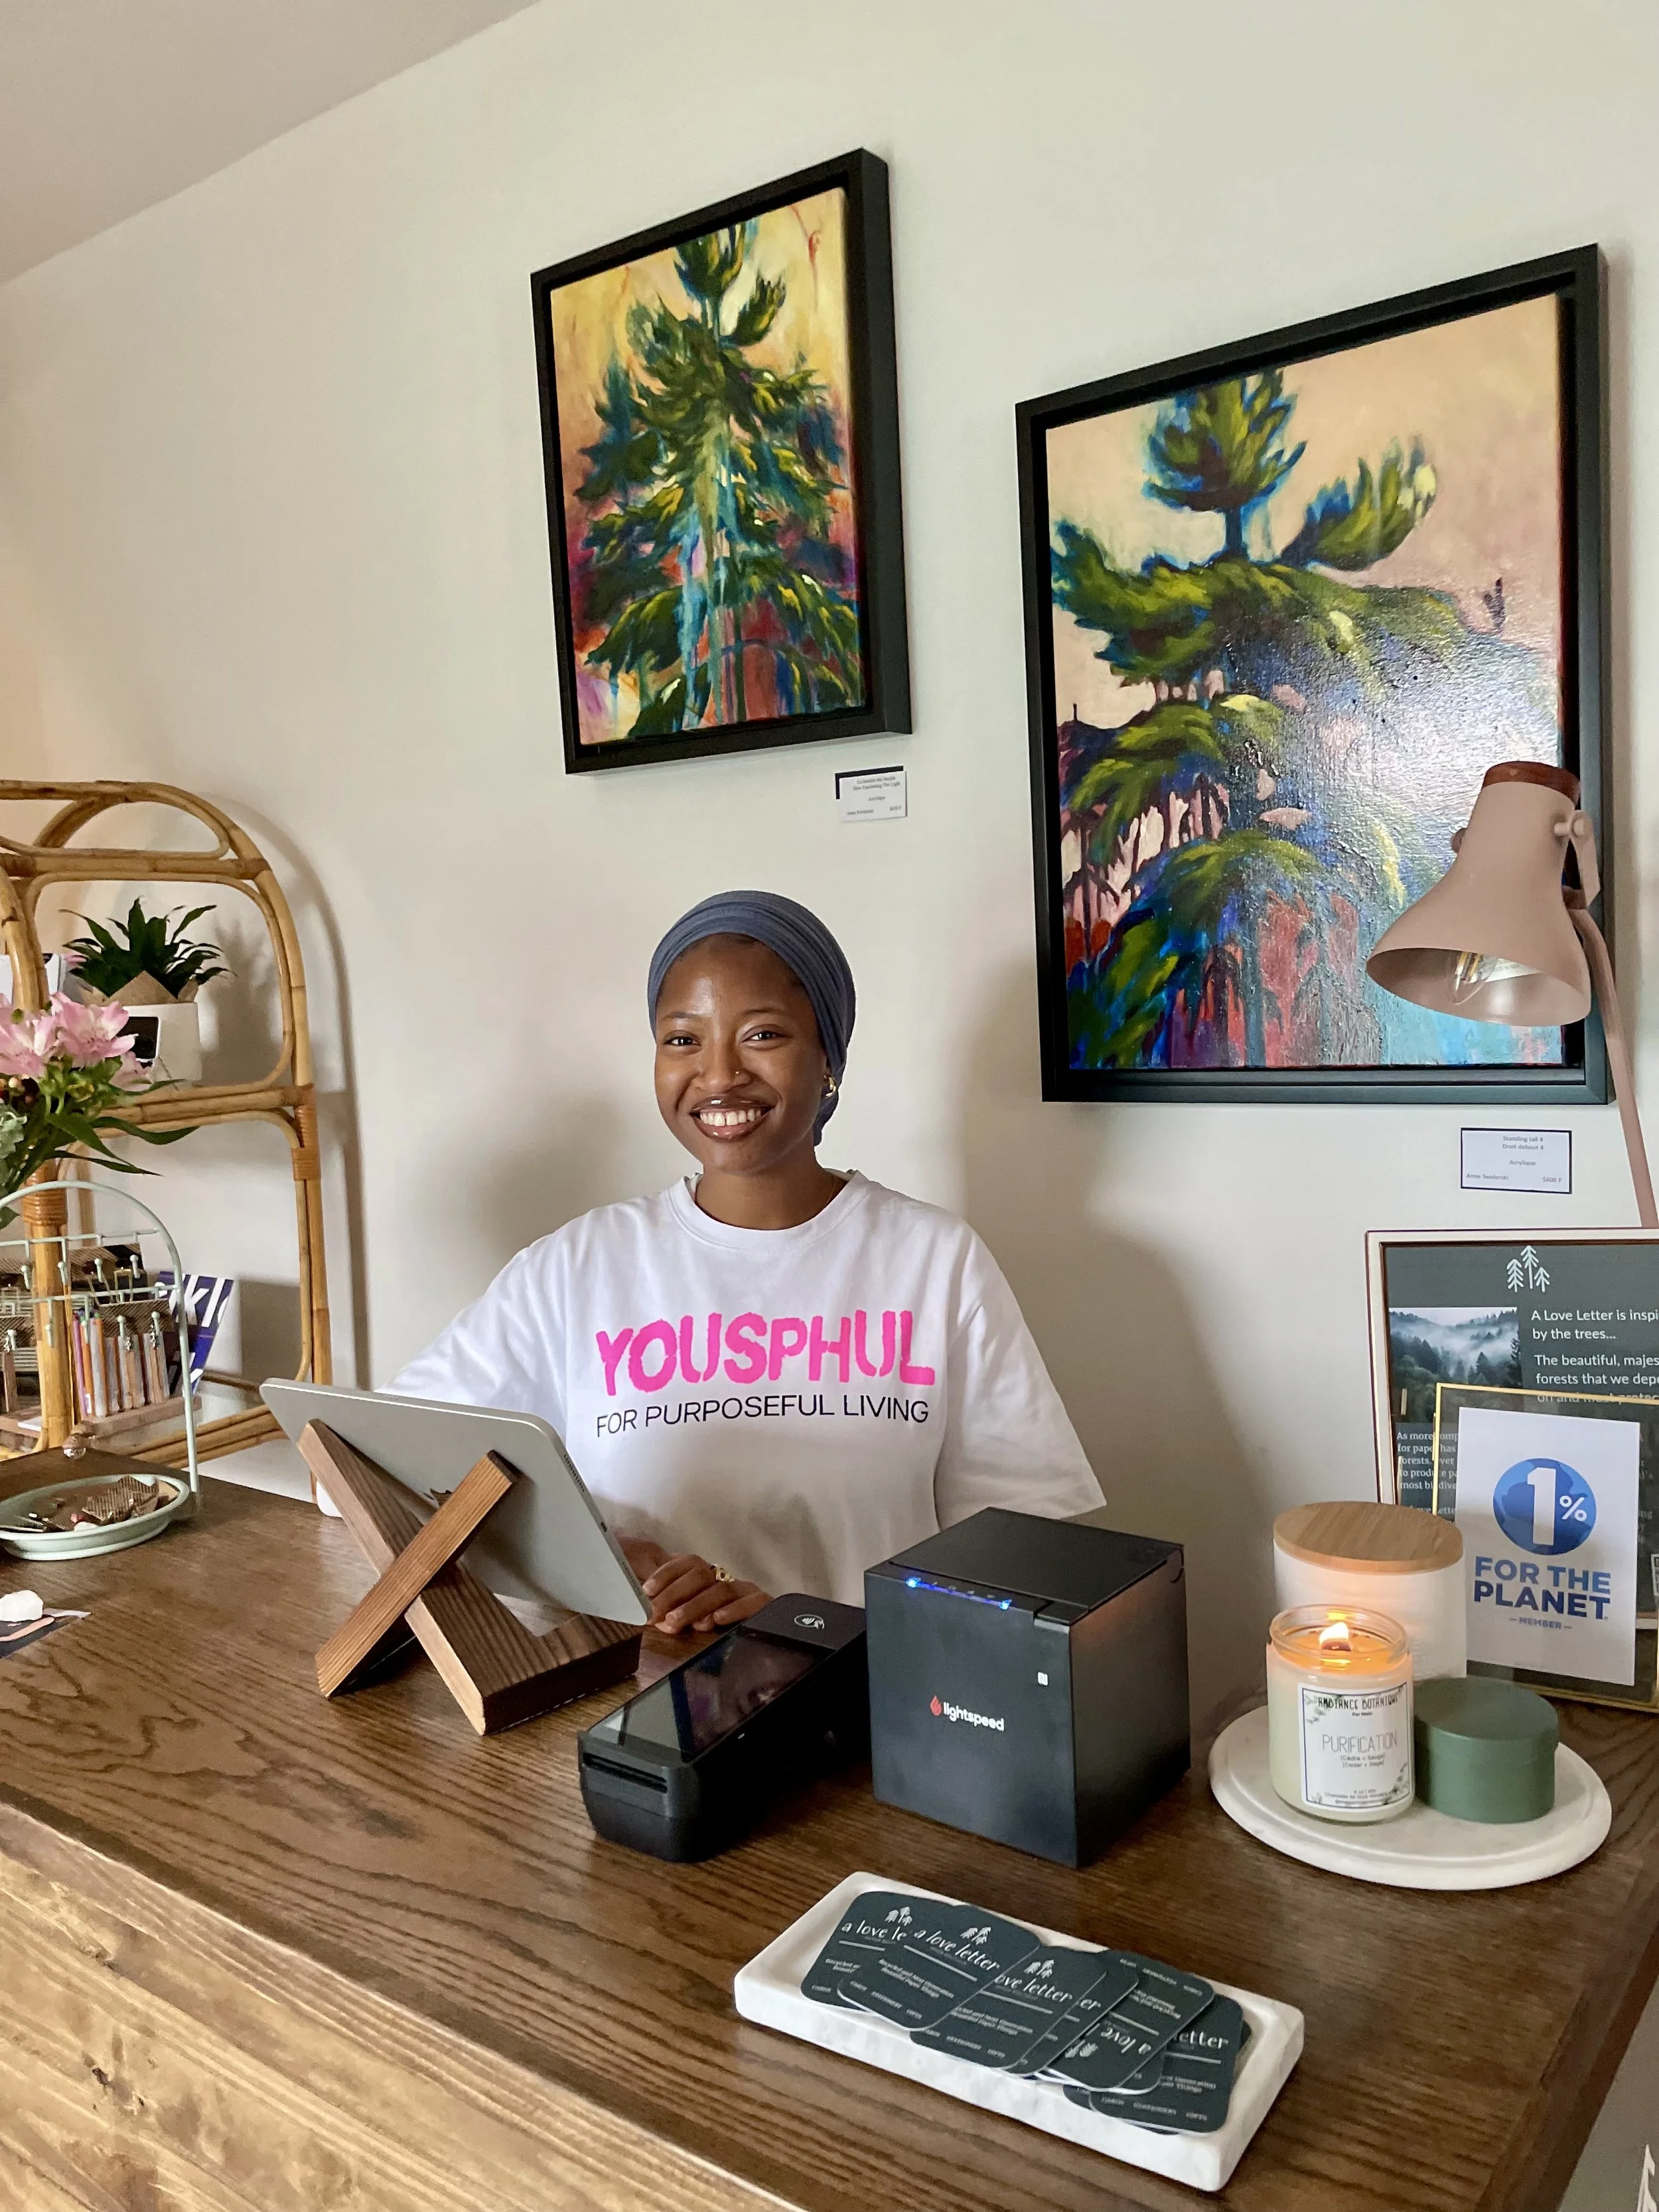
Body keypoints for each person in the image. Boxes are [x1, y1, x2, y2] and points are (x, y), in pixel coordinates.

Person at [390, 891, 1102, 1635]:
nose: (719, 1074)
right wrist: (595, 1553)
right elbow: (379, 1464)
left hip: (857, 1714)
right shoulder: (575, 1267)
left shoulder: (935, 1261)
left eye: (761, 1034)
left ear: (829, 1056)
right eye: (682, 1040)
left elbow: (1024, 1557)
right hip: (623, 1720)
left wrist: (812, 1630)